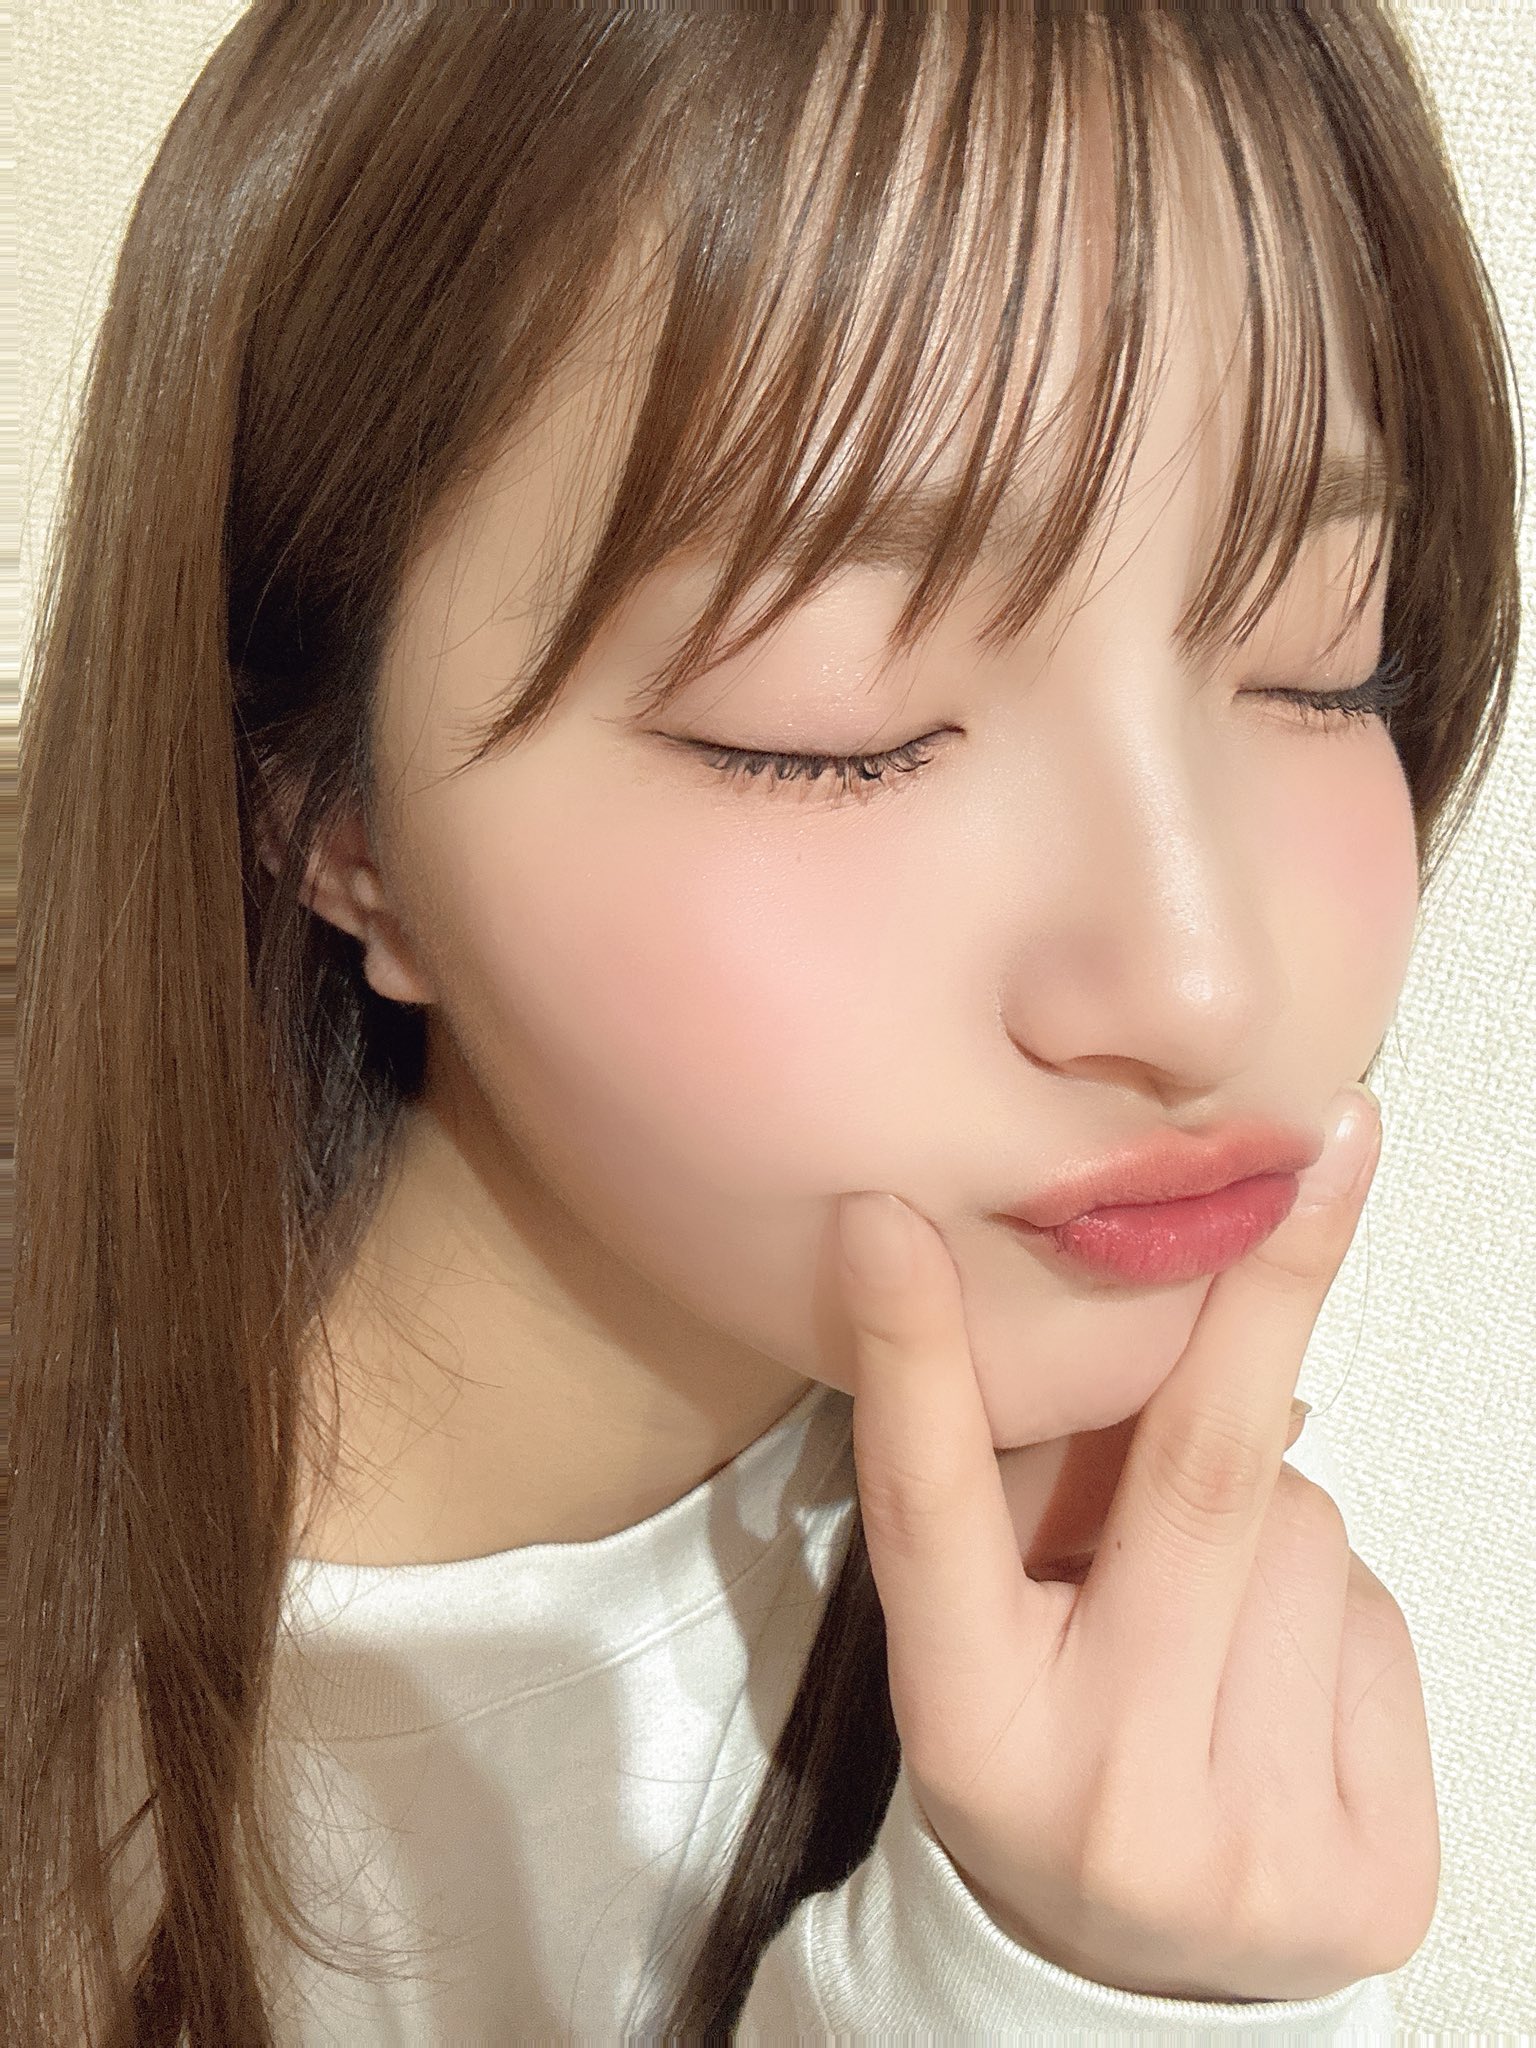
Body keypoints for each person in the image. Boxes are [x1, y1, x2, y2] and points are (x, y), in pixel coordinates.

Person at [9, 3, 1521, 2042]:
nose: (1202, 982)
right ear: (332, 817)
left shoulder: (1151, 1632)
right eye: (834, 723)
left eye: (1324, 661)